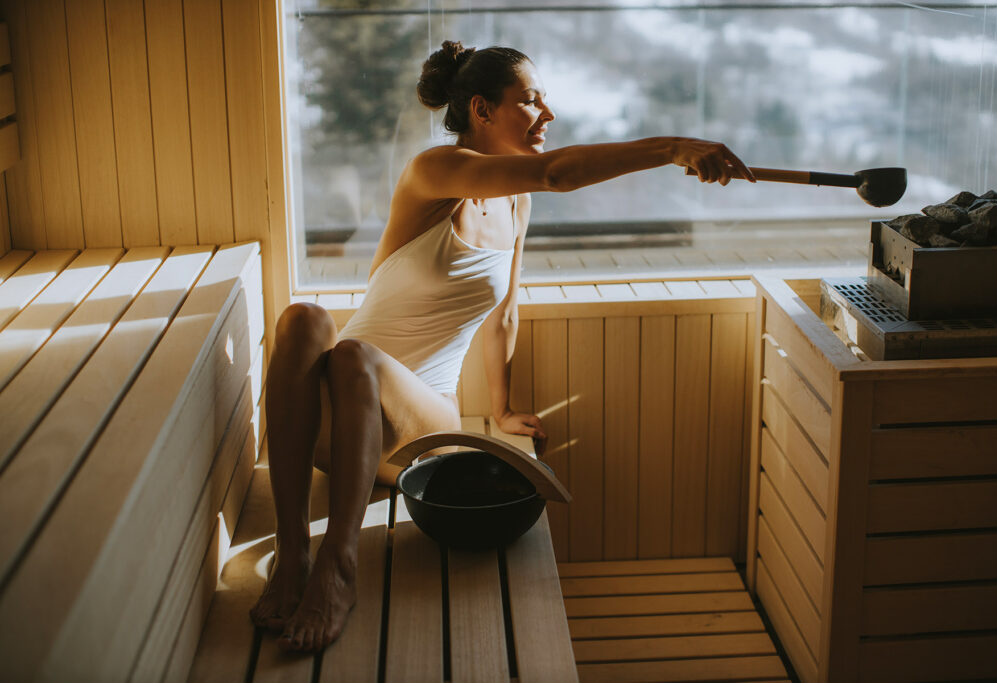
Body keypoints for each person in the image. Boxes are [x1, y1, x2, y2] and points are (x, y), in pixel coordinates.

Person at [249, 39, 755, 653]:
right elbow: (555, 172)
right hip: (335, 429)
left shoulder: (515, 204)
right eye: (532, 101)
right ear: (483, 110)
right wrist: (673, 147)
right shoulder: (433, 172)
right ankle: (294, 551)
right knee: (304, 319)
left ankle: (339, 565)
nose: (547, 116)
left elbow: (505, 310)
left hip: (417, 427)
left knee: (355, 356)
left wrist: (503, 404)